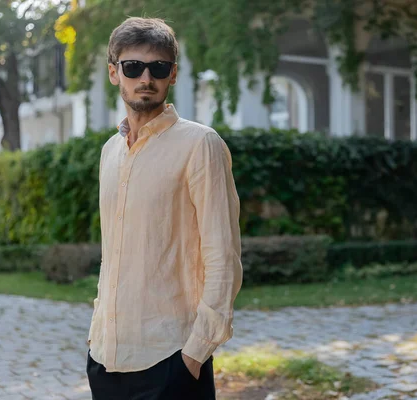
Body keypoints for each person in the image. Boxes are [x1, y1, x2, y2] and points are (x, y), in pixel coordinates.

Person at [85, 16, 244, 400]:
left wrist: (194, 354)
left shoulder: (199, 145)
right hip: (105, 356)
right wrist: (95, 338)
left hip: (171, 359)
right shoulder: (110, 152)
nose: (145, 78)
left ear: (172, 75)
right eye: (132, 67)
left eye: (158, 68)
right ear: (114, 72)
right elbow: (115, 255)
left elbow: (223, 257)